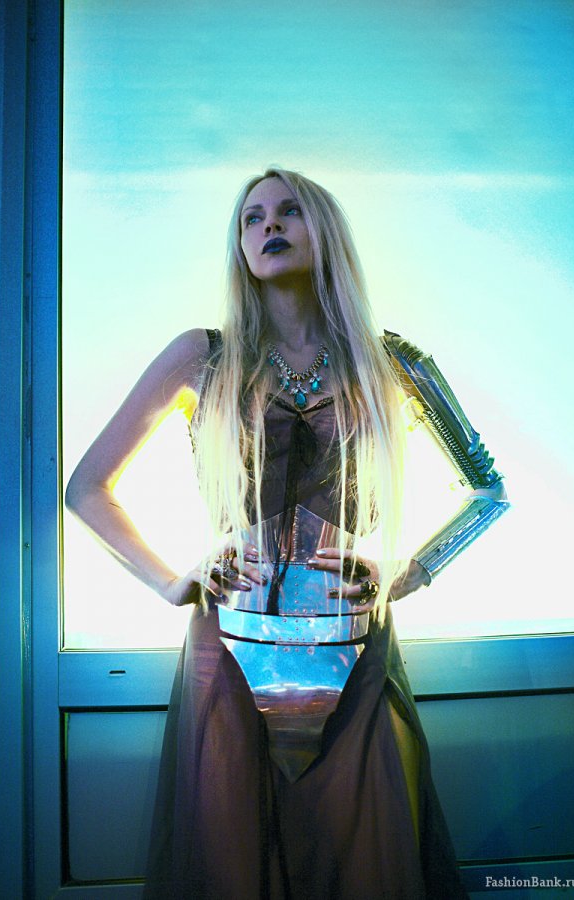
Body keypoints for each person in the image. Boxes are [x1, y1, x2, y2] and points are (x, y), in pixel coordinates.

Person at [66, 167, 508, 899]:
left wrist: (409, 570)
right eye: (252, 218)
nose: (268, 225)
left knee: (364, 857)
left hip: (352, 640)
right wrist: (172, 581)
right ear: (240, 245)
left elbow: (488, 491)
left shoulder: (391, 362)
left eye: (289, 210)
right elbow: (86, 488)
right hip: (230, 646)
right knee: (232, 857)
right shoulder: (202, 356)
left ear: (324, 229)